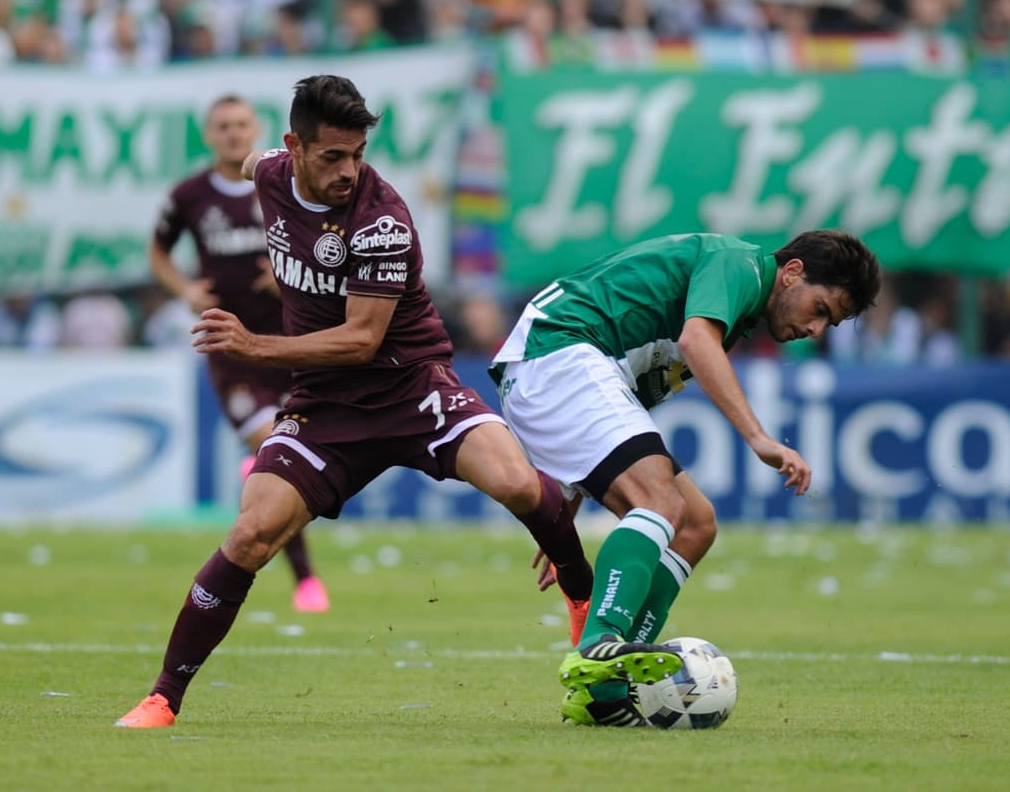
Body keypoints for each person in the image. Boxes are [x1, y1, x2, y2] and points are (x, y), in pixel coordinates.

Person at [115, 75, 594, 729]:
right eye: (333, 156)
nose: (349, 170)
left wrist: (255, 345)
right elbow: (249, 164)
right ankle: (162, 698)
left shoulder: (381, 220)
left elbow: (363, 339)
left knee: (514, 481)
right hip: (326, 404)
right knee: (252, 531)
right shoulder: (271, 171)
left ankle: (579, 590)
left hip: (410, 384)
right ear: (295, 147)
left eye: (359, 154)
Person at [490, 229, 881, 726]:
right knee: (659, 502)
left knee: (696, 522)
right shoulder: (737, 266)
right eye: (822, 310)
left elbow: (620, 415)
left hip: (565, 370)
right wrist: (759, 438)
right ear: (793, 272)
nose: (818, 329)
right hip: (560, 354)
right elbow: (696, 342)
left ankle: (603, 694)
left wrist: (572, 492)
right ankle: (599, 645)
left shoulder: (735, 311)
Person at [149, 93, 330, 614]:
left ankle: (288, 555)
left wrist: (288, 271)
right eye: (222, 126)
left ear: (256, 131)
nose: (232, 133)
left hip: (292, 341)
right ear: (210, 135)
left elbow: (324, 240)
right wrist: (183, 289)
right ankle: (306, 580)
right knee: (277, 449)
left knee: (290, 460)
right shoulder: (189, 195)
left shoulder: (282, 184)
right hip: (229, 350)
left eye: (241, 125)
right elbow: (158, 250)